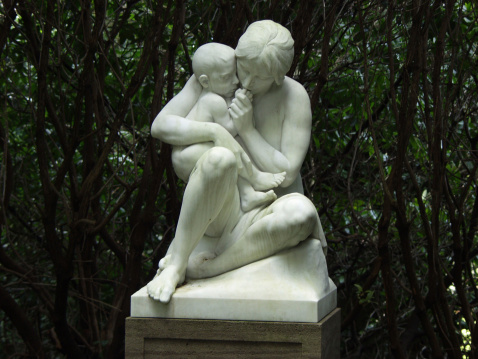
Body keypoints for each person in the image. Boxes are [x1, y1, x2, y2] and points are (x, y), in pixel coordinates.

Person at [148, 20, 326, 303]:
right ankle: (177, 265)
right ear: (237, 57)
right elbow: (162, 125)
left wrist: (247, 130)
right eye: (244, 70)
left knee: (302, 215)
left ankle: (214, 267)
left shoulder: (294, 97)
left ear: (279, 77)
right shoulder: (217, 72)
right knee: (219, 158)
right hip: (221, 204)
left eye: (260, 78)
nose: (247, 82)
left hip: (268, 206)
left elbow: (287, 172)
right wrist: (214, 131)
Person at [172, 42, 286, 212]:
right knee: (229, 151)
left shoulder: (214, 97)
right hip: (188, 154)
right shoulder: (214, 101)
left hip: (198, 150)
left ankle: (247, 195)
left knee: (229, 151)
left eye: (235, 74)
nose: (235, 81)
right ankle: (254, 177)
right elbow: (230, 130)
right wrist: (244, 110)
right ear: (205, 81)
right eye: (226, 77)